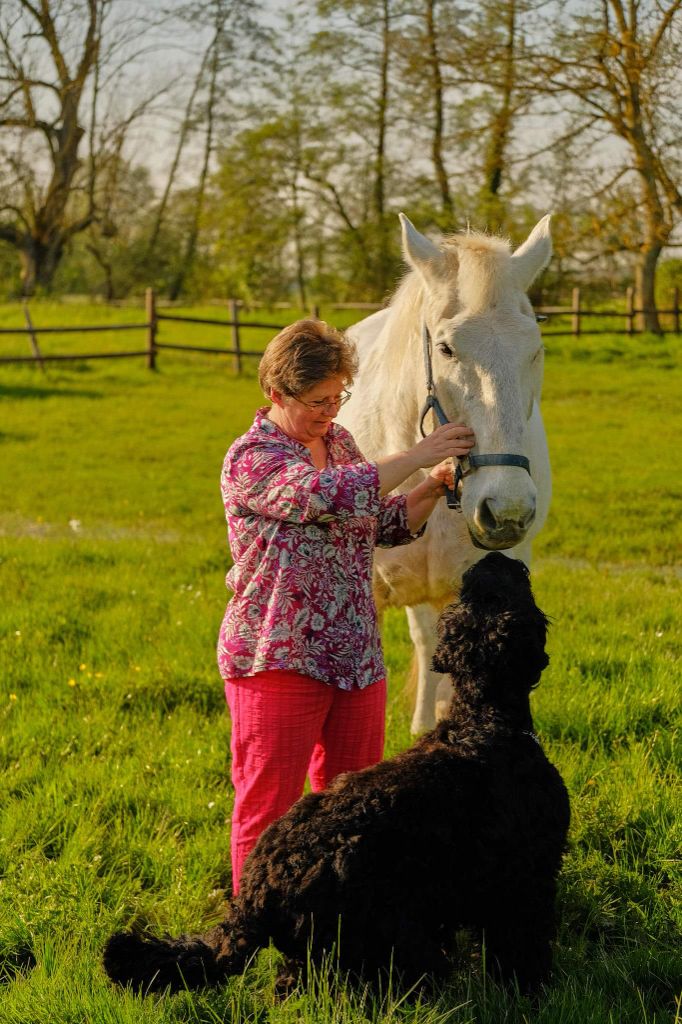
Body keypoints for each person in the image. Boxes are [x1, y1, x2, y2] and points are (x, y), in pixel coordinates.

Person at [217, 319, 475, 893]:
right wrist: (419, 452)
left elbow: (379, 521)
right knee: (269, 808)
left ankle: (338, 922)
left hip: (355, 653)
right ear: (275, 393)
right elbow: (322, 497)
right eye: (316, 400)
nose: (330, 411)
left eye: (339, 397)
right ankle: (254, 924)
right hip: (278, 652)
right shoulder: (252, 456)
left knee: (351, 804)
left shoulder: (339, 444)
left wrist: (430, 485)